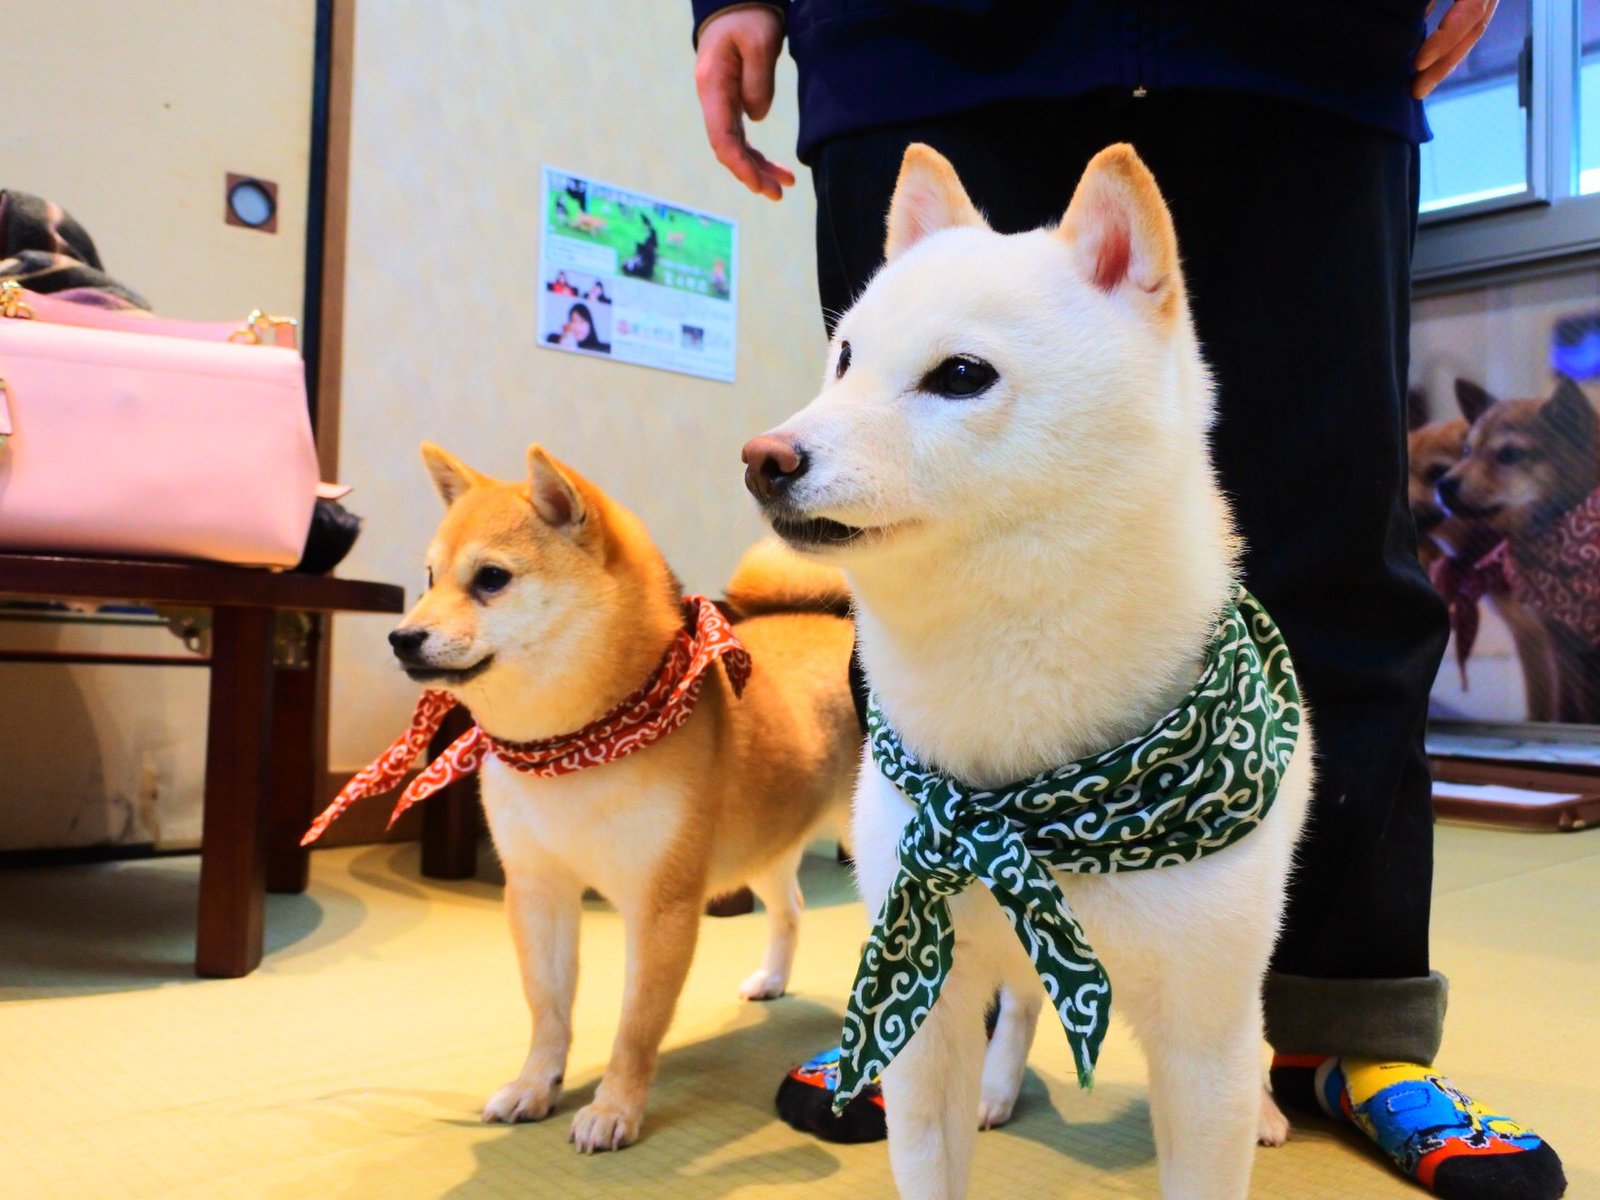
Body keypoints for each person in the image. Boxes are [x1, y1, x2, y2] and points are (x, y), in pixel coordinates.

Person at [690, 4, 1567, 1200]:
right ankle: (924, 999)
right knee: (891, 550)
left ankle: (1349, 1027)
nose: (779, 443)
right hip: (910, 30)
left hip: (1291, 48)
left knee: (1336, 538)